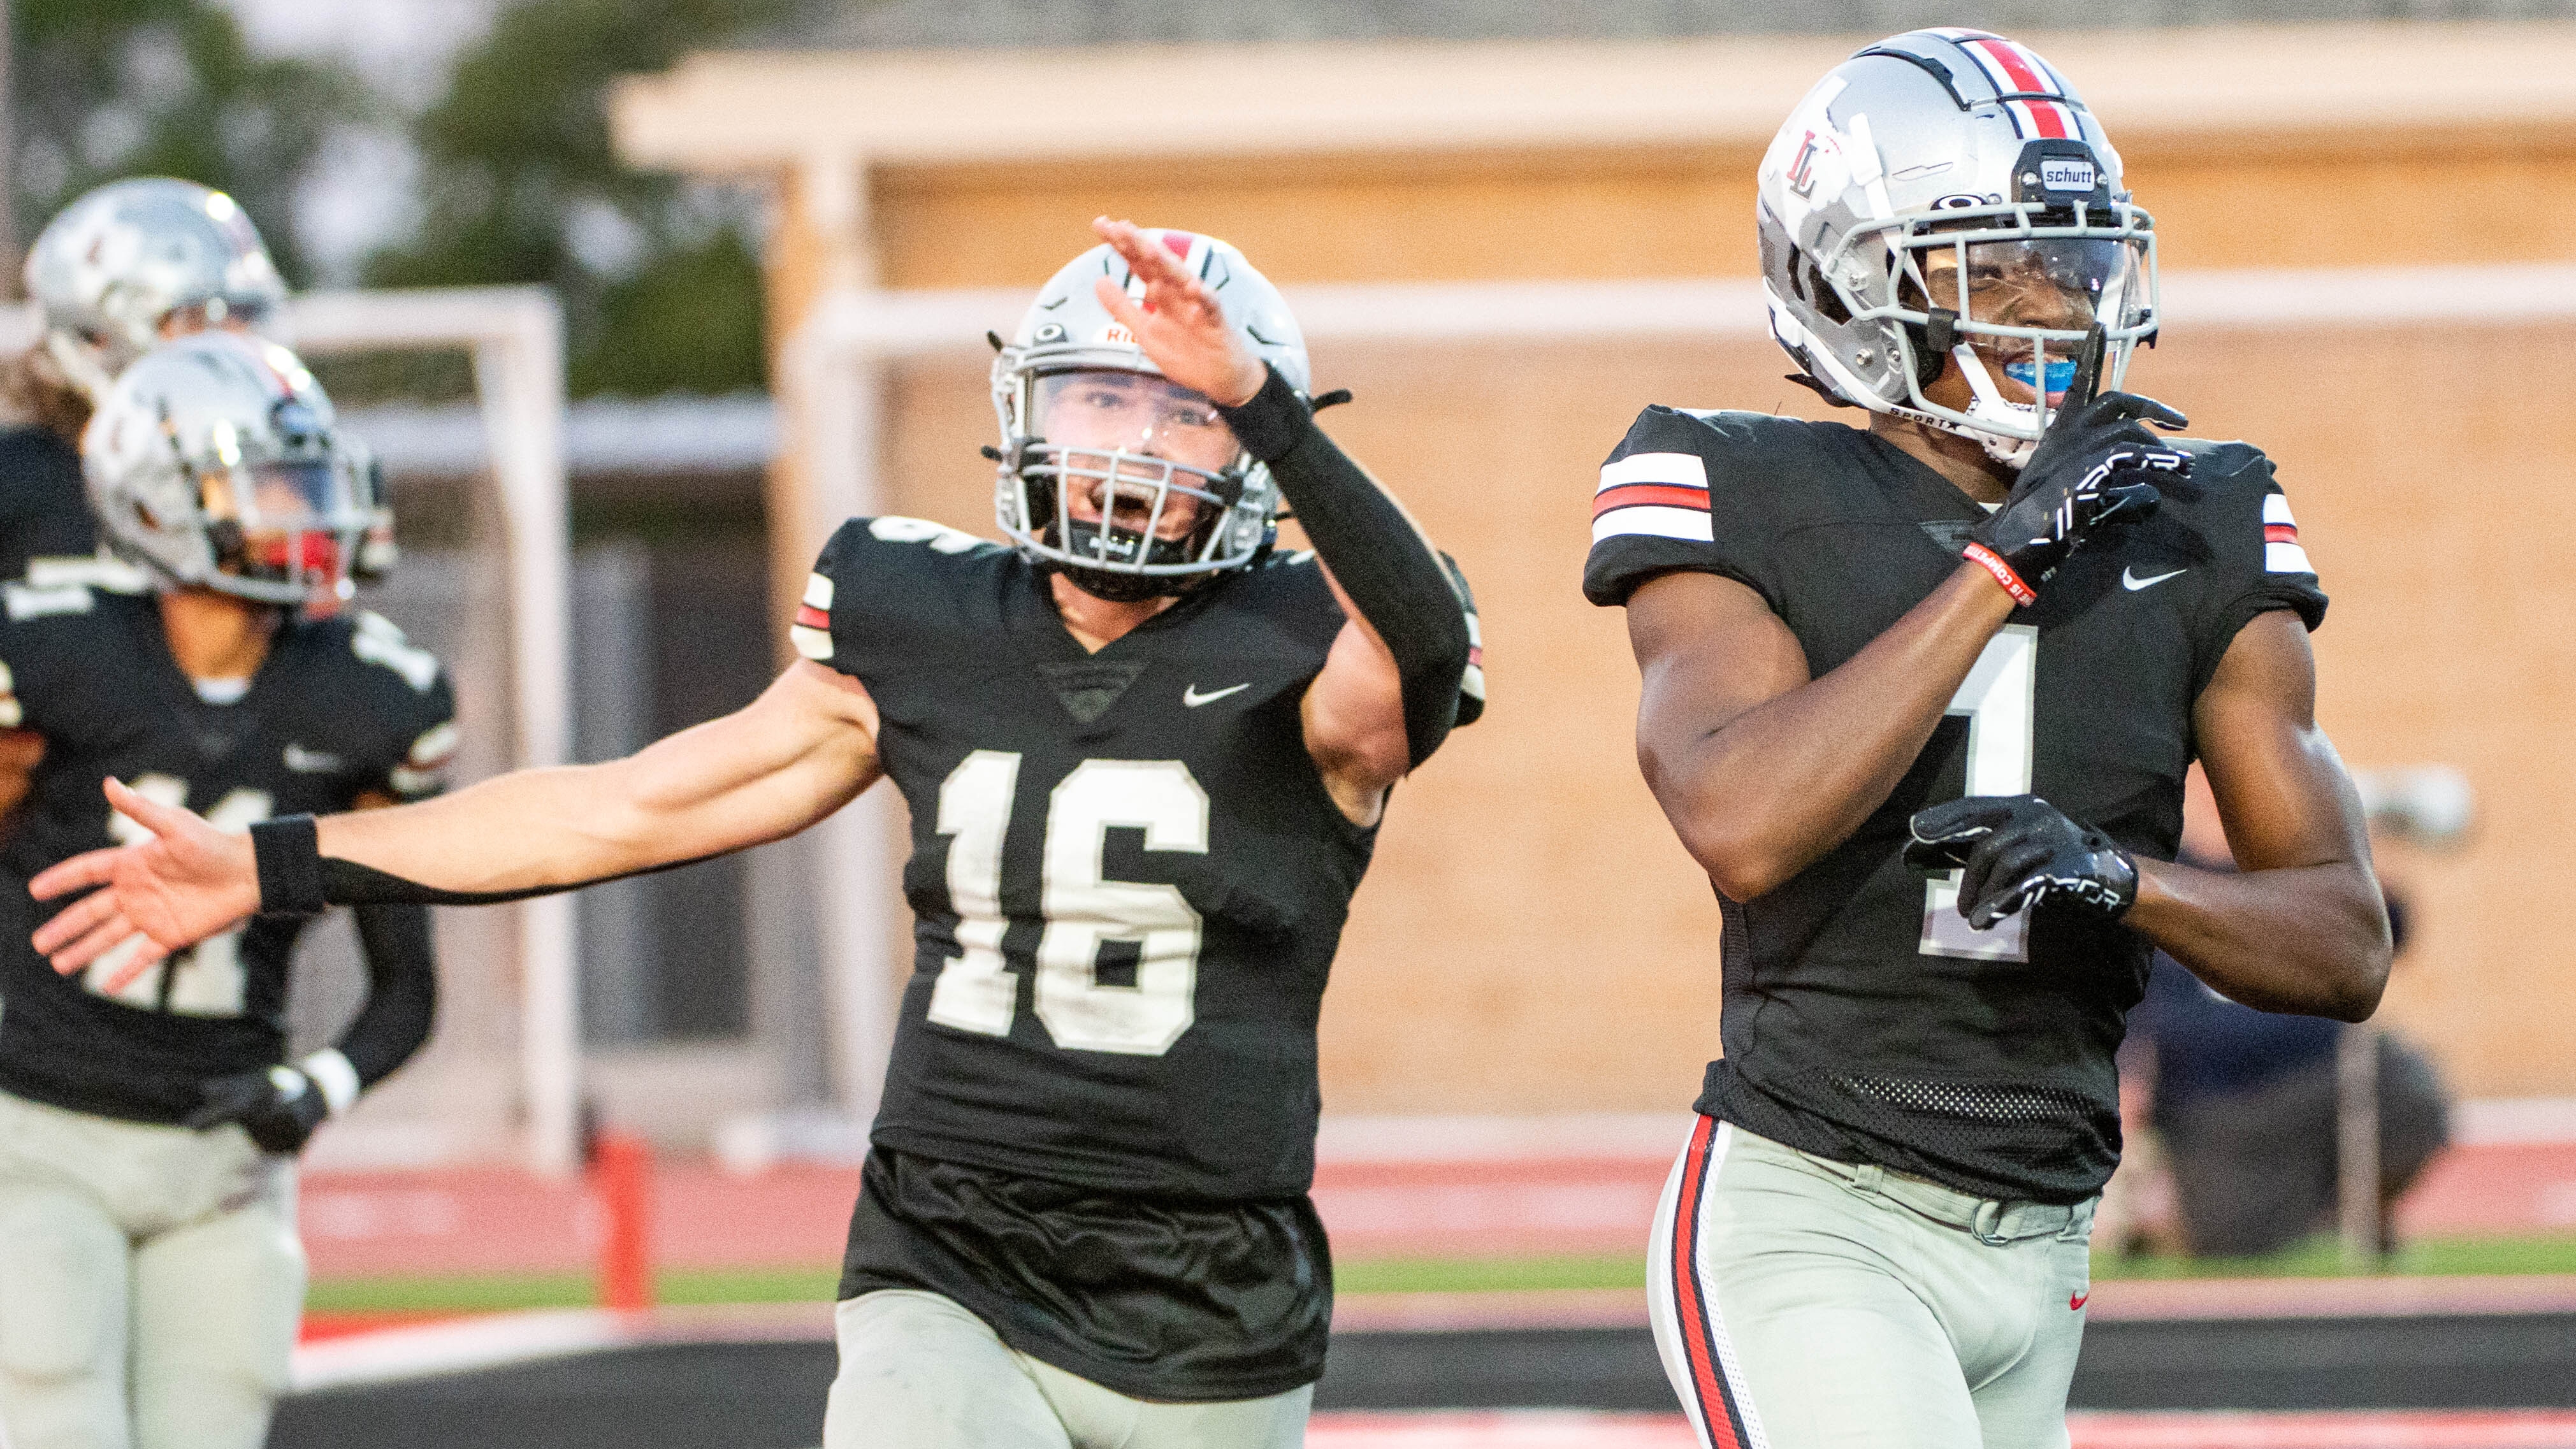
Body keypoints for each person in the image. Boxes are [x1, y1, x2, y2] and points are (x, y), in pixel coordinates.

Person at [31, 217, 1480, 1449]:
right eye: (1103, 400)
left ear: (1252, 444)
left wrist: (1271, 407)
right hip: (947, 1236)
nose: (1136, 444)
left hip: (1210, 1279)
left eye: (1185, 409)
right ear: (1028, 409)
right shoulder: (916, 613)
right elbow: (626, 801)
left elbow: (1423, 647)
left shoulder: (1312, 641)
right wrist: (276, 861)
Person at [1584, 29, 2389, 1449]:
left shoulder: (2191, 514)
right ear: (1848, 279)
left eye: (2072, 263)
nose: (2048, 307)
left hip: (2049, 1228)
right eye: (1988, 267)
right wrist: (1999, 565)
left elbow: (2339, 942)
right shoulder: (1733, 482)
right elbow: (1741, 818)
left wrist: (2122, 878)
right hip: (1814, 1205)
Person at [0, 331, 451, 1449]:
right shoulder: (49, 648)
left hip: (226, 1156)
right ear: (160, 497)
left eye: (313, 479)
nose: (314, 512)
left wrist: (319, 1086)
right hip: (39, 1131)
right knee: (56, 1413)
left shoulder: (374, 693)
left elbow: (406, 987)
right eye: (273, 482)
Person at [1, 178, 293, 588]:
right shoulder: (19, 485)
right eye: (196, 319)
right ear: (94, 338)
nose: (230, 347)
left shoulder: (270, 477)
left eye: (243, 317)